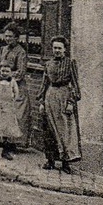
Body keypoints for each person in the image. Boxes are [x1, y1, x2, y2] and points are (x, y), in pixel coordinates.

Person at [38, 36, 82, 172]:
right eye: (54, 48)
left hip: (64, 97)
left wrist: (71, 102)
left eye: (59, 48)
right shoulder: (48, 64)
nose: (56, 50)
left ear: (65, 49)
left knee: (65, 131)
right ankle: (50, 160)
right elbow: (44, 83)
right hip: (50, 96)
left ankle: (65, 163)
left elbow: (75, 84)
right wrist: (41, 102)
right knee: (49, 130)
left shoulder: (70, 63)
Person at [0, 25, 31, 148]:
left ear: (16, 37)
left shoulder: (21, 52)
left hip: (17, 88)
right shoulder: (4, 49)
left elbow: (21, 72)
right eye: (6, 36)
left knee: (17, 114)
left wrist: (6, 76)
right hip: (4, 86)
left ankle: (14, 143)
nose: (8, 39)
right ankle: (4, 140)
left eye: (10, 36)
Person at [0, 62, 26, 160]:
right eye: (3, 71)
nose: (5, 73)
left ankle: (5, 151)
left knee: (7, 129)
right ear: (0, 71)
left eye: (7, 71)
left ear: (11, 72)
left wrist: (11, 100)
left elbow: (16, 93)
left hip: (8, 108)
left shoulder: (13, 82)